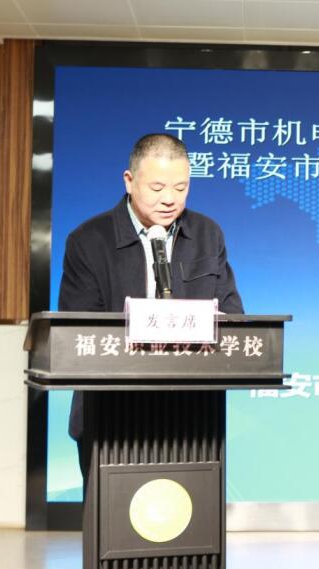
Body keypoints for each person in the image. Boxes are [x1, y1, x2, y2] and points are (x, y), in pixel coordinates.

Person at [58, 133, 244, 482]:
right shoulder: (89, 240)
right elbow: (78, 334)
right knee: (116, 515)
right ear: (129, 181)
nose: (170, 199)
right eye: (157, 187)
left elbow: (234, 318)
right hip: (110, 418)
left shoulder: (208, 234)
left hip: (193, 419)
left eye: (181, 187)